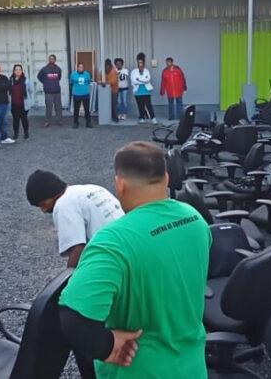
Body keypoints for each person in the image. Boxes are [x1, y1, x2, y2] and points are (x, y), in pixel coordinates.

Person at [58, 141, 211, 377]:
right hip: (192, 366)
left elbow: (74, 319)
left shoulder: (113, 241)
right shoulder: (195, 219)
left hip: (138, 369)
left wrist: (107, 347)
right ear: (167, 178)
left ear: (120, 184)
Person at [25, 170, 124, 268]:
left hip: (116, 258)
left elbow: (77, 249)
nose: (44, 210)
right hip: (132, 243)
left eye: (43, 204)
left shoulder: (63, 204)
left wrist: (70, 281)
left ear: (50, 193)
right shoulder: (91, 188)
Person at [10, 64, 35, 139]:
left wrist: (28, 99)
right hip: (14, 104)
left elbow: (31, 90)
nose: (18, 71)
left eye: (19, 69)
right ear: (14, 71)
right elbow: (8, 91)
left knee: (24, 120)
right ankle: (16, 133)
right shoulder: (11, 80)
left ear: (22, 71)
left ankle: (26, 133)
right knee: (15, 120)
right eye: (16, 69)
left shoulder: (26, 80)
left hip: (24, 104)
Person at [37, 54, 63, 127]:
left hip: (57, 91)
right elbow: (39, 76)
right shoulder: (44, 69)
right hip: (48, 92)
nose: (51, 60)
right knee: (49, 107)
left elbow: (59, 77)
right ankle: (47, 121)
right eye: (50, 59)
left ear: (55, 60)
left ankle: (59, 120)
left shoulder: (58, 69)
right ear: (49, 60)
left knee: (58, 107)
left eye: (53, 59)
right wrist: (45, 82)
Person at [160, 57, 188, 121]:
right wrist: (162, 90)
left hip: (178, 90)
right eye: (166, 62)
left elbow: (183, 78)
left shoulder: (177, 69)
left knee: (179, 104)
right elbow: (163, 82)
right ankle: (171, 116)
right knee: (170, 104)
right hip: (170, 91)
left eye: (169, 62)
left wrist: (184, 87)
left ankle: (180, 116)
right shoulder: (165, 71)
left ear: (172, 62)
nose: (167, 63)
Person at [131, 57, 157, 125]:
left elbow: (148, 79)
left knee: (149, 105)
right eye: (139, 63)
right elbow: (134, 81)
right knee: (140, 106)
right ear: (137, 64)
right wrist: (143, 81)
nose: (140, 64)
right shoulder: (134, 71)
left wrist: (139, 80)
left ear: (143, 64)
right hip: (137, 91)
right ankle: (141, 118)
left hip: (146, 91)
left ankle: (153, 118)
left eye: (141, 63)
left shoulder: (146, 71)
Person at [70, 62, 93, 129]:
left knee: (87, 109)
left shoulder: (87, 74)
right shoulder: (73, 74)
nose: (81, 68)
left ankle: (88, 123)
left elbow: (89, 82)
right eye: (79, 67)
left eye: (82, 67)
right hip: (76, 94)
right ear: (77, 68)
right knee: (76, 110)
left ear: (84, 68)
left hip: (85, 94)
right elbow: (71, 82)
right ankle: (75, 123)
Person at [104, 59, 119, 123]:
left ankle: (116, 118)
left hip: (114, 91)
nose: (106, 68)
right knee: (107, 105)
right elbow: (99, 78)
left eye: (108, 66)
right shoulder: (103, 70)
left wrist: (105, 83)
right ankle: (109, 117)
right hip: (106, 92)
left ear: (110, 66)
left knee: (114, 104)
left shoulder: (114, 72)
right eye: (106, 66)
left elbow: (113, 82)